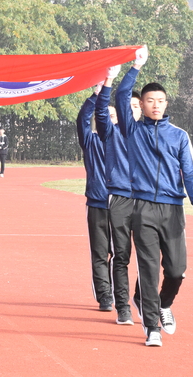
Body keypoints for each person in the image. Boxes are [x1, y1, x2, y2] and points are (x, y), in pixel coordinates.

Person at [114, 46, 193, 347]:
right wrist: (135, 67)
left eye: (160, 101)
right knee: (149, 268)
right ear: (141, 104)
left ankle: (163, 304)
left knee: (176, 270)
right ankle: (152, 327)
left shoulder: (178, 135)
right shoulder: (132, 130)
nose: (156, 105)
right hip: (142, 208)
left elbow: (189, 171)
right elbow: (120, 96)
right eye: (150, 101)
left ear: (166, 104)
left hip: (172, 209)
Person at [94, 65, 137, 325]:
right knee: (121, 255)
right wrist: (109, 79)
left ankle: (143, 299)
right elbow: (102, 111)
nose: (131, 109)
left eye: (136, 106)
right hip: (119, 198)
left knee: (150, 256)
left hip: (146, 200)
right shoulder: (111, 131)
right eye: (128, 105)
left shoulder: (147, 132)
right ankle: (123, 307)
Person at [76, 83, 113, 312]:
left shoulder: (125, 142)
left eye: (112, 116)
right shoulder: (91, 141)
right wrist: (95, 95)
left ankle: (118, 292)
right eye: (104, 114)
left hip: (122, 204)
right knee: (100, 253)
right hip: (98, 203)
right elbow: (82, 119)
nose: (107, 119)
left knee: (120, 254)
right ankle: (105, 296)